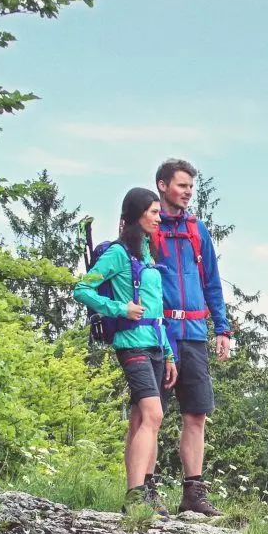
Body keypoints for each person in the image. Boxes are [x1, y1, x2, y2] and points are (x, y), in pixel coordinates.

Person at [72, 188, 178, 515]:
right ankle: (134, 496)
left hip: (157, 344)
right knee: (153, 414)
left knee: (143, 419)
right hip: (131, 344)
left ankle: (147, 489)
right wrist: (119, 307)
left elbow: (158, 307)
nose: (159, 218)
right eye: (153, 212)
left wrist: (170, 354)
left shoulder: (148, 253)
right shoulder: (118, 254)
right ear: (136, 215)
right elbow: (82, 289)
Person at [150, 157, 232, 516]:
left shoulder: (198, 232)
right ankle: (145, 490)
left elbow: (212, 282)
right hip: (158, 335)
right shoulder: (147, 228)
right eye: (182, 186)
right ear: (162, 185)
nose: (187, 193)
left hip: (195, 334)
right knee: (149, 415)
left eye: (191, 188)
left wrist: (223, 328)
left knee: (196, 414)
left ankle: (193, 495)